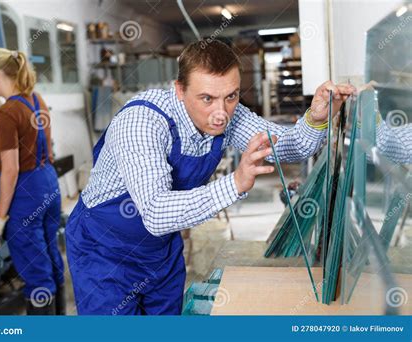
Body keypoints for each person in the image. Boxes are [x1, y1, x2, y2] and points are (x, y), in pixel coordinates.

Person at [65, 40, 355, 315]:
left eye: (231, 96)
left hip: (160, 251)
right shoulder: (142, 122)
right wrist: (235, 183)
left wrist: (317, 118)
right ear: (179, 90)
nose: (221, 113)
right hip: (104, 253)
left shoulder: (227, 113)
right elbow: (155, 213)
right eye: (207, 98)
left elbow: (288, 146)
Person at [0, 48, 65, 315]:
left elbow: (10, 170)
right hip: (48, 182)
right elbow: (33, 144)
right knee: (51, 258)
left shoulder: (6, 112)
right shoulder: (36, 100)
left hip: (26, 191)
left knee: (35, 270)